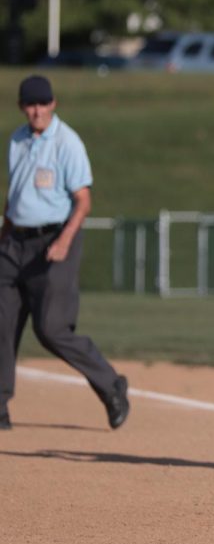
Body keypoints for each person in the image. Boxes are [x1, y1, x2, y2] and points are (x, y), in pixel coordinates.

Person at [0, 75, 129, 431]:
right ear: (22, 107)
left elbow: (83, 202)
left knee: (52, 328)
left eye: (43, 103)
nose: (37, 110)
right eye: (30, 104)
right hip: (14, 244)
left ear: (53, 104)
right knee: (2, 322)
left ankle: (110, 384)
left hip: (54, 240)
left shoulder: (67, 142)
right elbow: (14, 198)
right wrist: (4, 237)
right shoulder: (18, 140)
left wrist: (63, 241)